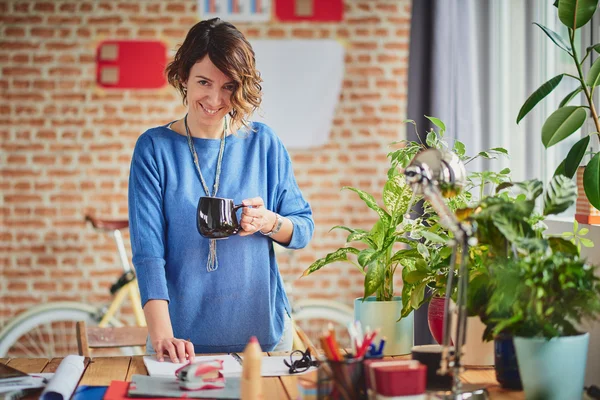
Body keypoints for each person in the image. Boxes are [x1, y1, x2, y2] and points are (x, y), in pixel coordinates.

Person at [128, 18, 314, 362]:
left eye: (229, 86)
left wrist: (268, 222)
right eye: (203, 82)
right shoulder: (154, 149)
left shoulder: (264, 144)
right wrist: (163, 337)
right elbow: (148, 253)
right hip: (180, 347)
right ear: (183, 77)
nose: (215, 98)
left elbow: (302, 229)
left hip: (265, 344)